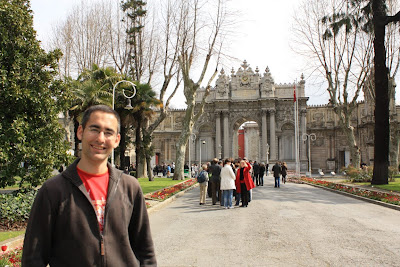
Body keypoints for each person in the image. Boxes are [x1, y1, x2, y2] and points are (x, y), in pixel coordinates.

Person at [22, 105, 157, 266]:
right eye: (94, 129)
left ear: (116, 140)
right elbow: (33, 258)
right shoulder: (53, 190)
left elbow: (145, 251)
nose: (100, 138)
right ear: (80, 132)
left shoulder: (130, 187)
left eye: (108, 132)